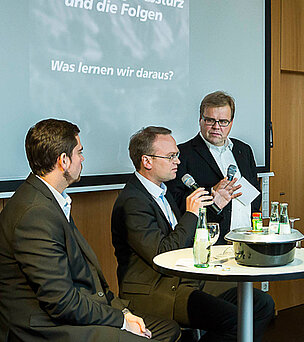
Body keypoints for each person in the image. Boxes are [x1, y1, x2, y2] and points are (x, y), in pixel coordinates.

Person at [0, 119, 179, 342]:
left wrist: (123, 312)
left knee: (167, 330)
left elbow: (87, 278)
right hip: (43, 327)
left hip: (71, 310)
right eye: (79, 152)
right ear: (64, 161)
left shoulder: (50, 200)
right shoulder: (35, 213)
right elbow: (61, 301)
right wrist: (121, 321)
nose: (83, 159)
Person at [111, 126, 274, 342]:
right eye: (171, 156)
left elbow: (187, 234)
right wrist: (191, 213)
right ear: (147, 161)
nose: (178, 161)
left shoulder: (162, 191)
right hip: (157, 290)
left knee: (262, 304)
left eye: (177, 155)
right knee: (234, 321)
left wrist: (215, 204)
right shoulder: (133, 201)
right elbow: (161, 255)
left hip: (185, 280)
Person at [166, 91, 260, 244]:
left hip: (247, 237)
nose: (216, 127)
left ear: (231, 122)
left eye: (223, 121)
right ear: (200, 120)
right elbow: (174, 204)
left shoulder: (244, 150)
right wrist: (211, 194)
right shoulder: (182, 154)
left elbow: (255, 193)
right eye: (210, 120)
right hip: (211, 241)